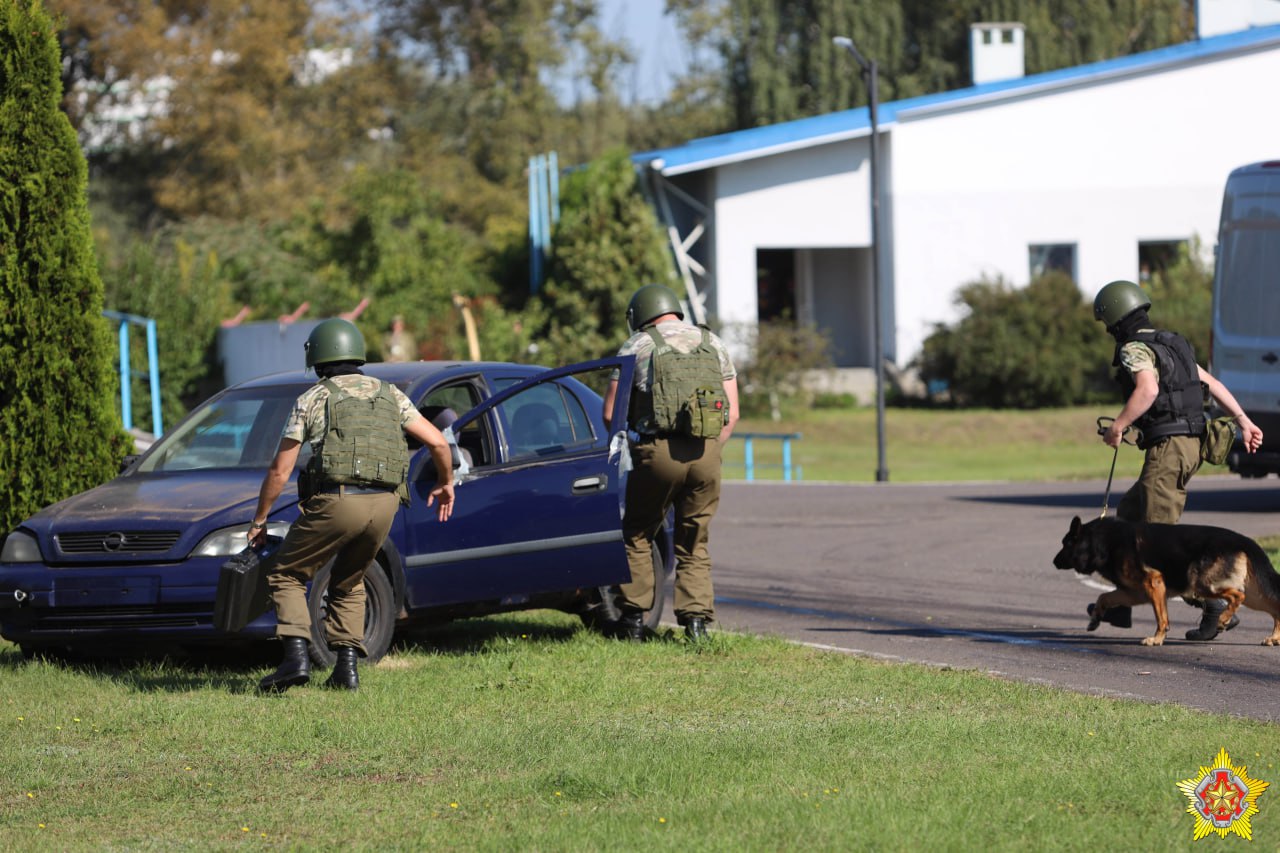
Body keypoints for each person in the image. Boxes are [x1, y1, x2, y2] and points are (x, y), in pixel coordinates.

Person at [250, 317, 455, 692]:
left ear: (317, 358)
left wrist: (259, 519)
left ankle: (295, 660)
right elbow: (439, 443)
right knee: (350, 578)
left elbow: (280, 471)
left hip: (339, 501)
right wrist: (446, 482)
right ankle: (346, 669)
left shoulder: (314, 398)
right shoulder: (390, 394)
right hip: (386, 504)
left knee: (287, 573)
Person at [1091, 280, 1263, 640]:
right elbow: (1213, 384)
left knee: (1156, 545)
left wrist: (1118, 427)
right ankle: (1122, 604)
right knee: (1130, 513)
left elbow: (1148, 389)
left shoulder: (1134, 349)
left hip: (1169, 449)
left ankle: (1213, 604)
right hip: (1191, 445)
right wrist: (1243, 420)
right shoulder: (1173, 344)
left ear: (1114, 319)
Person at [601, 283, 740, 642]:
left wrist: (637, 448)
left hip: (658, 453)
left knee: (638, 533)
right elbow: (733, 413)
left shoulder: (638, 345)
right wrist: (711, 450)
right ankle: (696, 625)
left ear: (640, 313)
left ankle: (633, 620)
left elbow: (610, 413)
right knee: (694, 539)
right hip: (706, 452)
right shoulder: (713, 342)